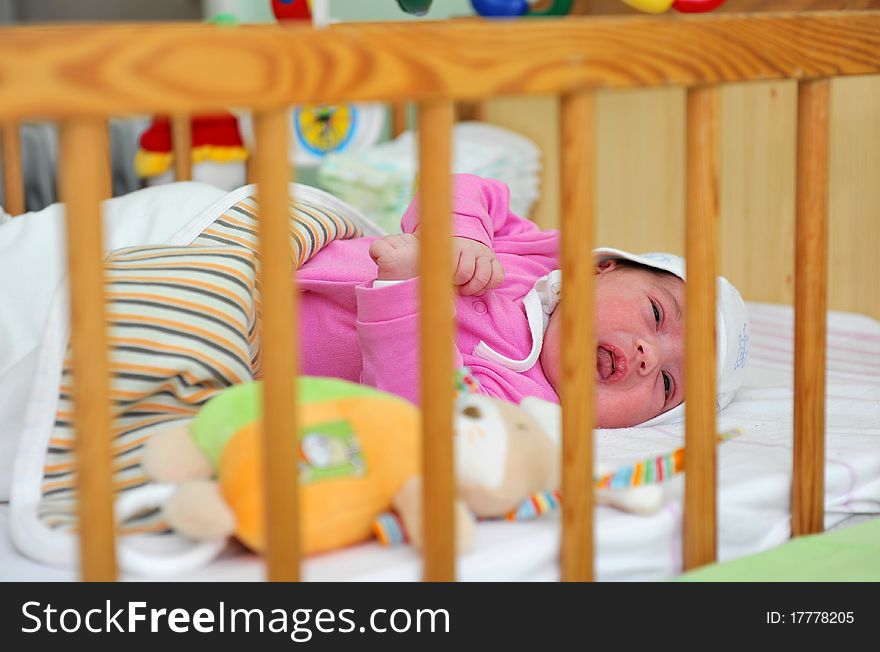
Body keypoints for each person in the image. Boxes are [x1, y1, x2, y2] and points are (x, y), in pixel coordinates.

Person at [296, 174, 749, 428]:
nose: (651, 356)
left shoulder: (525, 407)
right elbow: (466, 187)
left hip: (251, 337)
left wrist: (405, 295)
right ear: (598, 268)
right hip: (283, 249)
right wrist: (460, 233)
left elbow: (422, 412)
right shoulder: (538, 257)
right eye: (656, 314)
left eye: (669, 385)